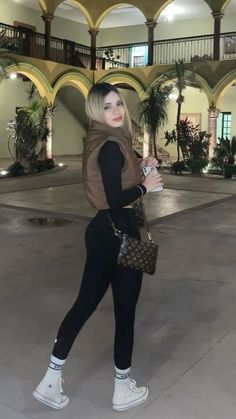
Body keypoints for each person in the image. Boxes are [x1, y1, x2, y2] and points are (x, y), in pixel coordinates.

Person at [33, 82, 163, 412]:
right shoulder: (110, 145)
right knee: (125, 313)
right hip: (120, 233)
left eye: (118, 103)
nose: (116, 110)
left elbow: (116, 183)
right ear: (96, 111)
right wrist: (145, 188)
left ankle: (50, 379)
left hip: (103, 232)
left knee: (84, 305)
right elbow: (116, 197)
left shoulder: (105, 139)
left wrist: (142, 169)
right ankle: (122, 390)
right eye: (107, 107)